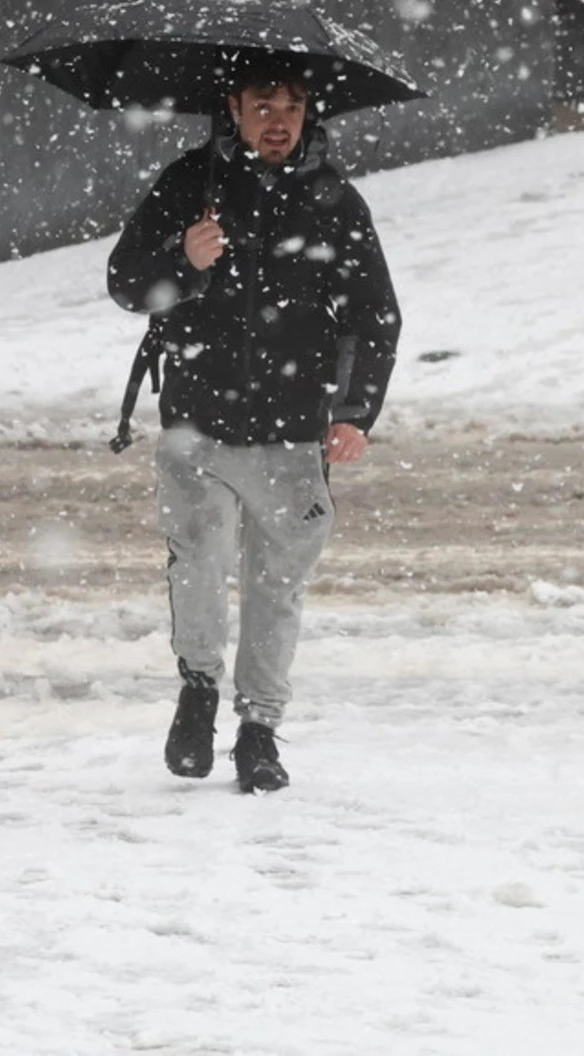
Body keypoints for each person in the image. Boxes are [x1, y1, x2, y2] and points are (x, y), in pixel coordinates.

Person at [108, 60, 401, 793]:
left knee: (277, 586)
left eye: (294, 106)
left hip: (292, 426)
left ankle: (259, 731)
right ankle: (198, 691)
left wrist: (353, 413)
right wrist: (185, 258)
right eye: (264, 104)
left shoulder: (332, 200)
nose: (279, 120)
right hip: (196, 421)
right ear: (232, 107)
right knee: (199, 565)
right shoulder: (188, 184)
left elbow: (373, 314)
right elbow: (126, 282)